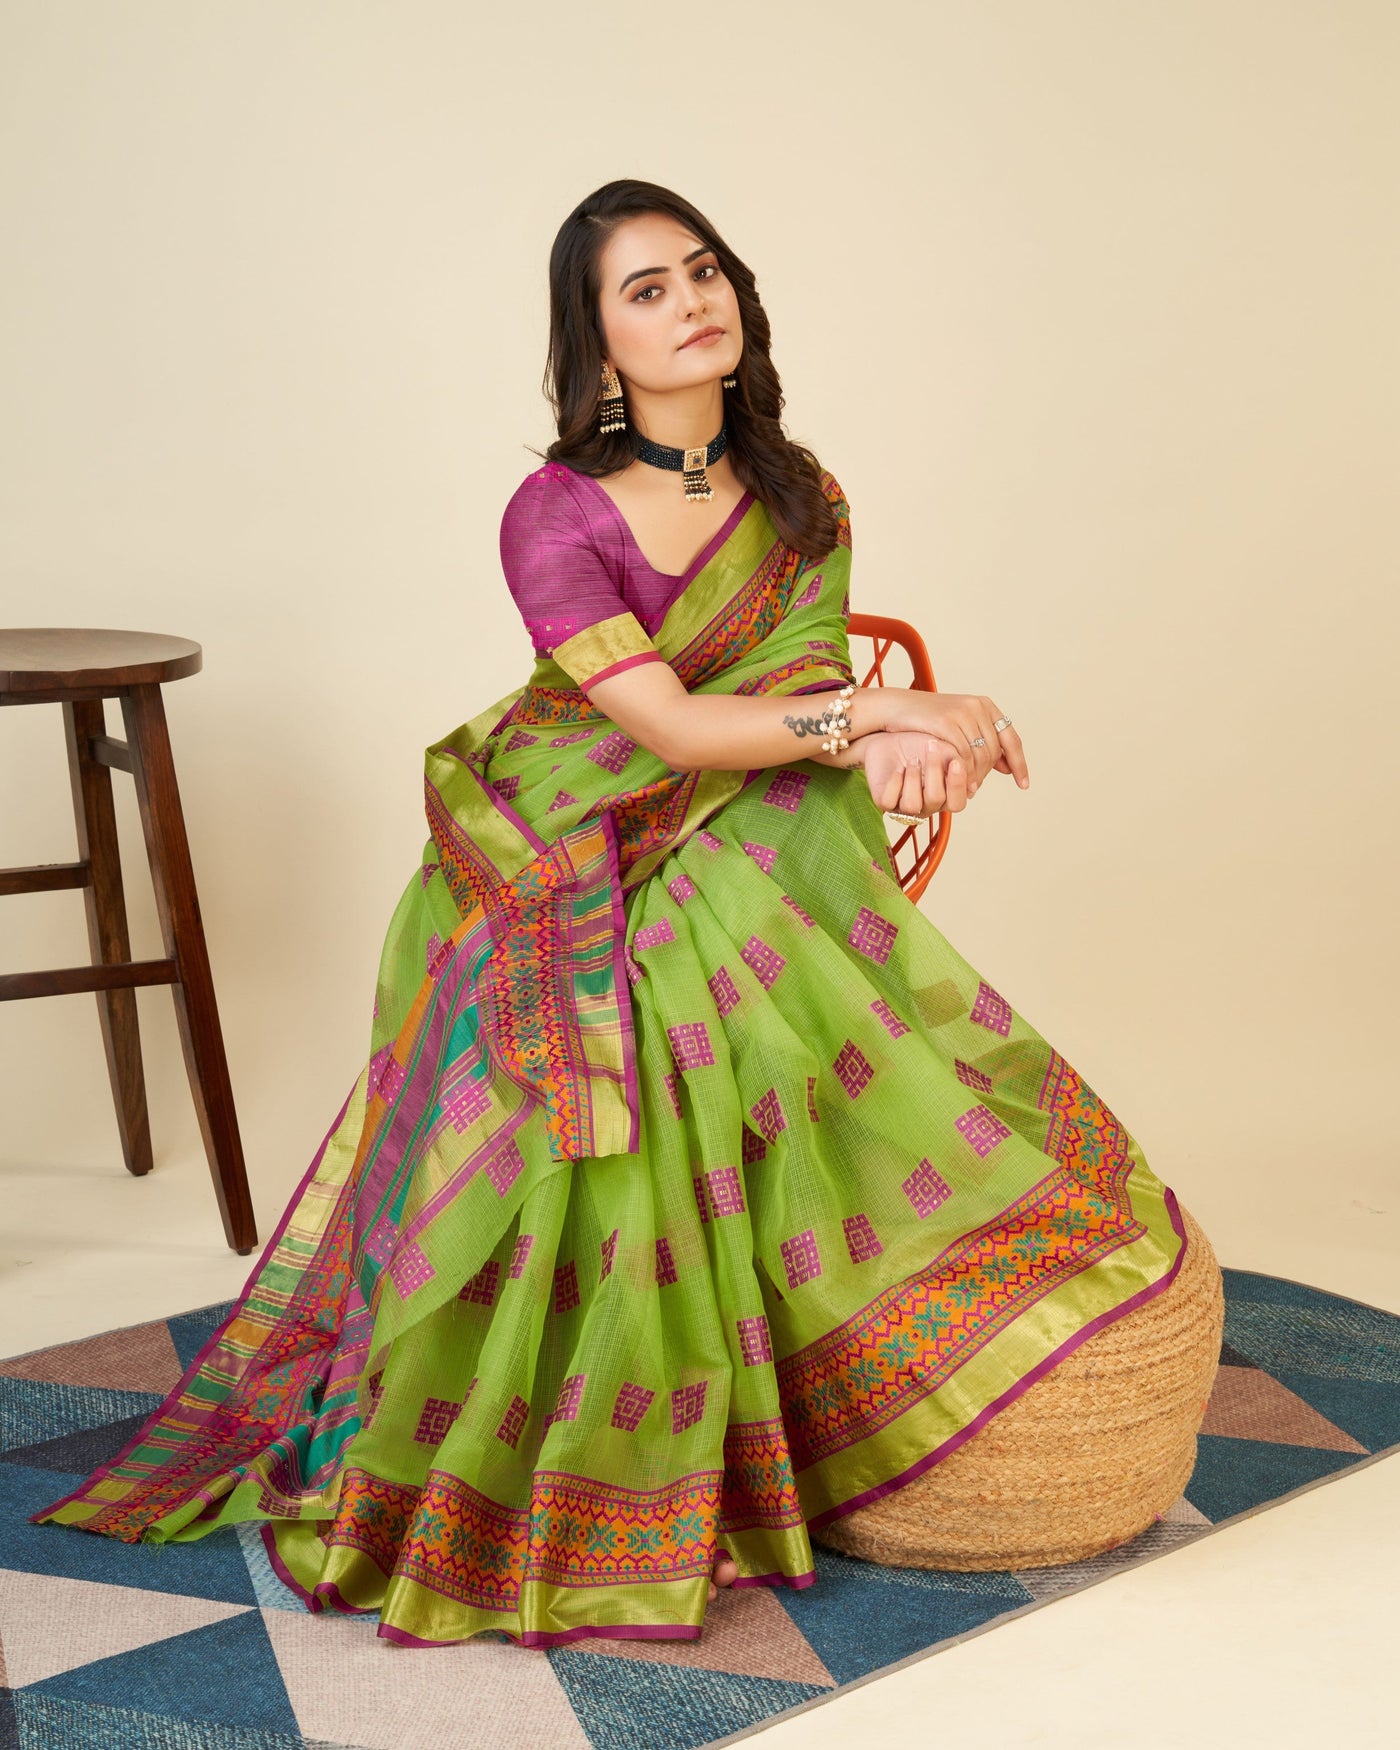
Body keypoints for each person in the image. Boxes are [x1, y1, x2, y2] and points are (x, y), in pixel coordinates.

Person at [34, 178, 1187, 1650]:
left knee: (749, 917)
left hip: (749, 808)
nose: (692, 302)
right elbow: (678, 729)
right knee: (660, 981)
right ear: (595, 345)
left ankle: (885, 1328)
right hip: (556, 837)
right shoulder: (554, 515)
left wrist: (891, 732)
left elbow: (791, 686)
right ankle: (570, 1436)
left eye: (704, 271)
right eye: (646, 289)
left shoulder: (801, 492)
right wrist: (884, 712)